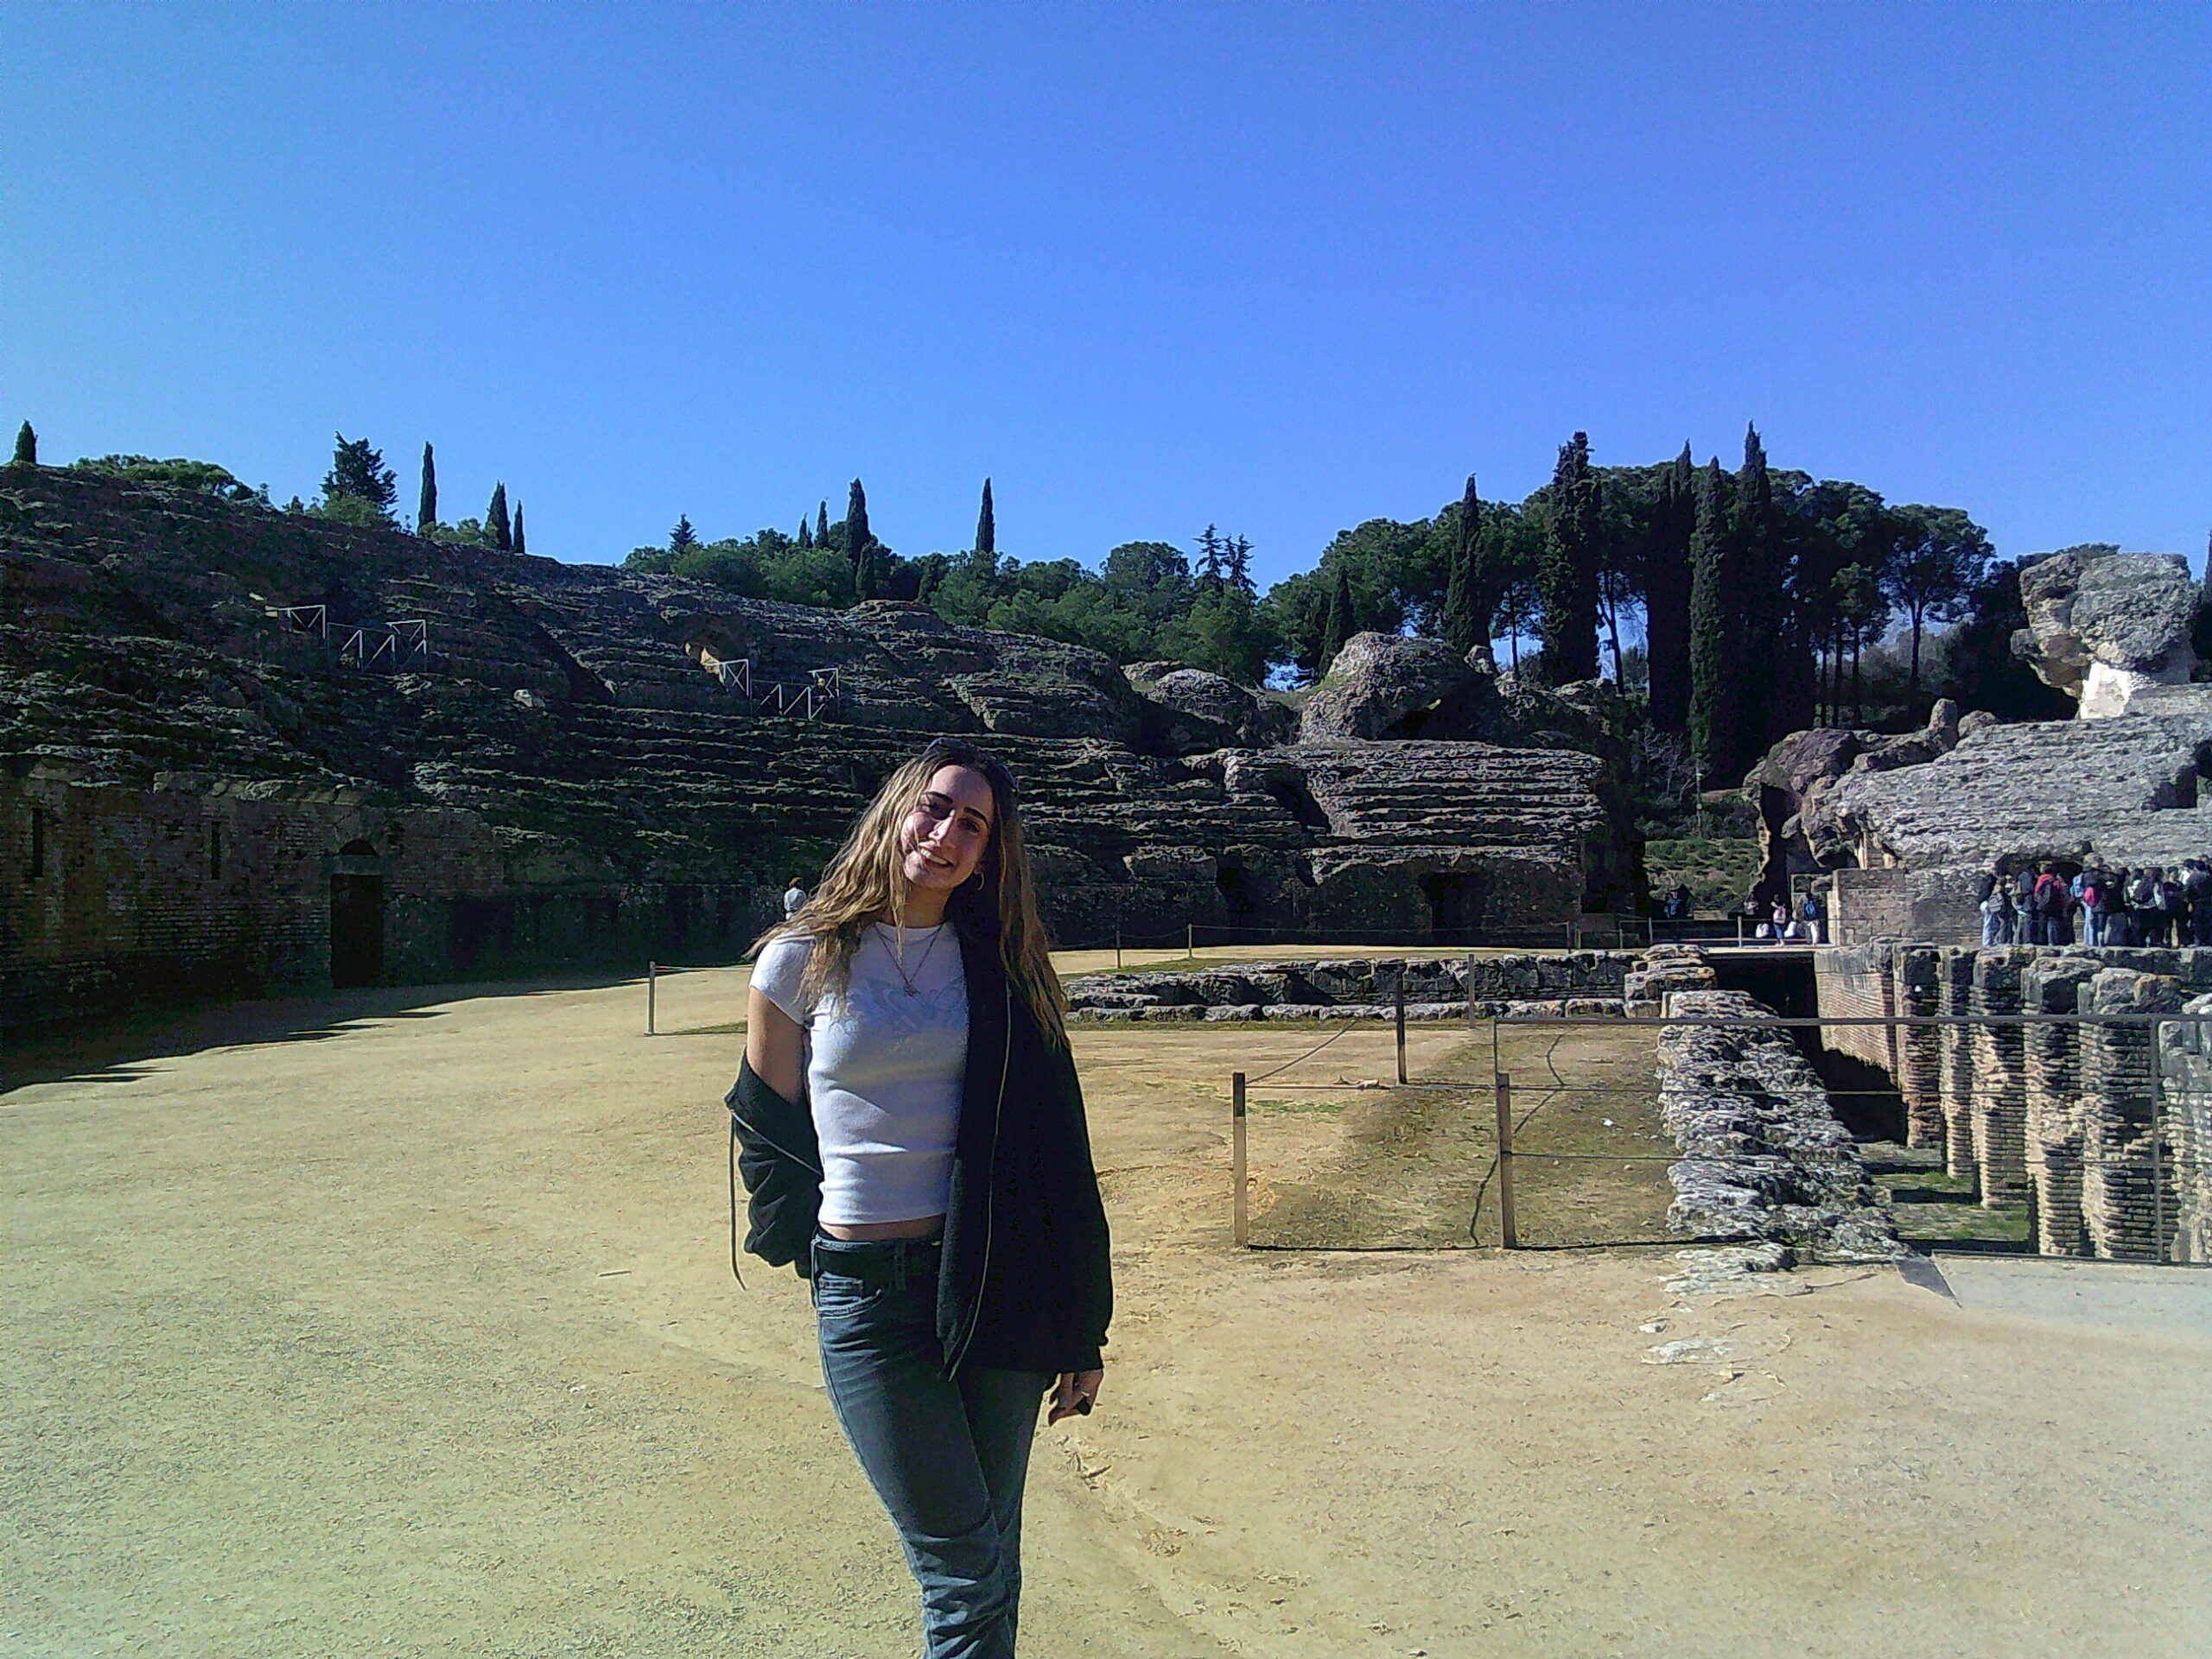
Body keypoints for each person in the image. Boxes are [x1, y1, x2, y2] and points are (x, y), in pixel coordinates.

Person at [730, 737, 1111, 1659]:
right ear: (899, 807)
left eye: (971, 825)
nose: (945, 834)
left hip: (993, 1281)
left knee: (990, 1558)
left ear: (989, 853)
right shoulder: (800, 959)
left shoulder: (1005, 966)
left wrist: (1081, 1328)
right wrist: (812, 1256)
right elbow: (767, 1132)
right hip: (866, 1295)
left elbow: (1059, 1152)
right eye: (935, 807)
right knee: (962, 1568)